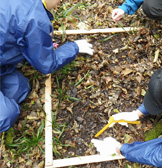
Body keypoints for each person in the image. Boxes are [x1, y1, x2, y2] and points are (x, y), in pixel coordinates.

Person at [0, 0, 94, 132]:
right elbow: (47, 63)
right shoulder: (32, 18)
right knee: (6, 115)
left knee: (20, 88)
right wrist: (74, 47)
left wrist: (36, 43)